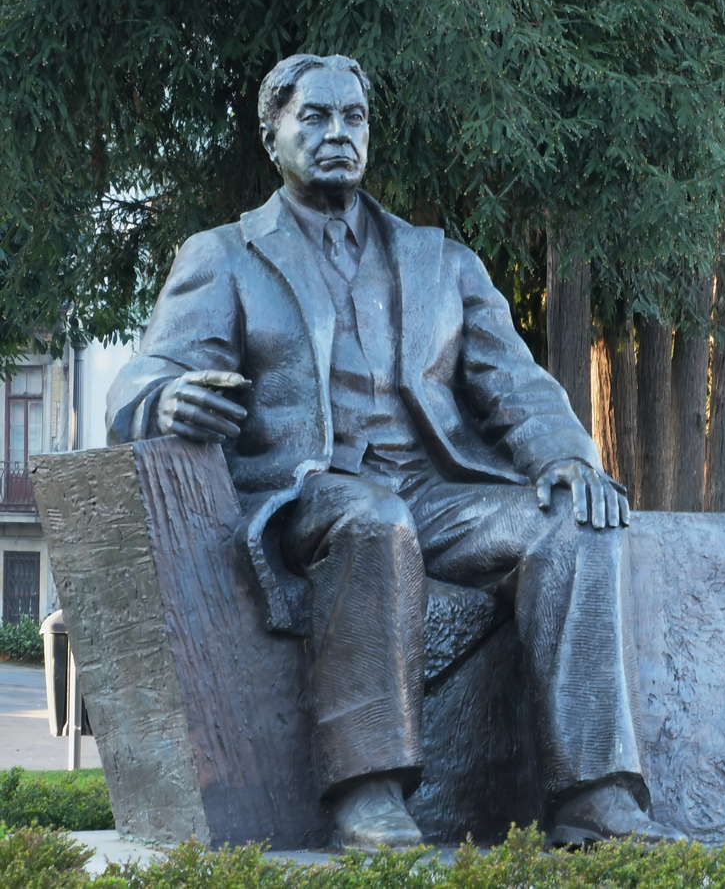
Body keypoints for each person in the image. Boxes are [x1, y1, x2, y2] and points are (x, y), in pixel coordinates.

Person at [106, 53, 684, 851]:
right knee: (372, 520)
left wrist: (567, 457)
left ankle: (593, 798)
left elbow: (514, 381)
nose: (338, 134)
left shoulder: (439, 260)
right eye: (314, 118)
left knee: (574, 526)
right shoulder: (226, 256)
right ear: (272, 136)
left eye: (354, 119)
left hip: (437, 491)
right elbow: (148, 376)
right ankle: (366, 793)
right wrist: (163, 399)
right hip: (308, 490)